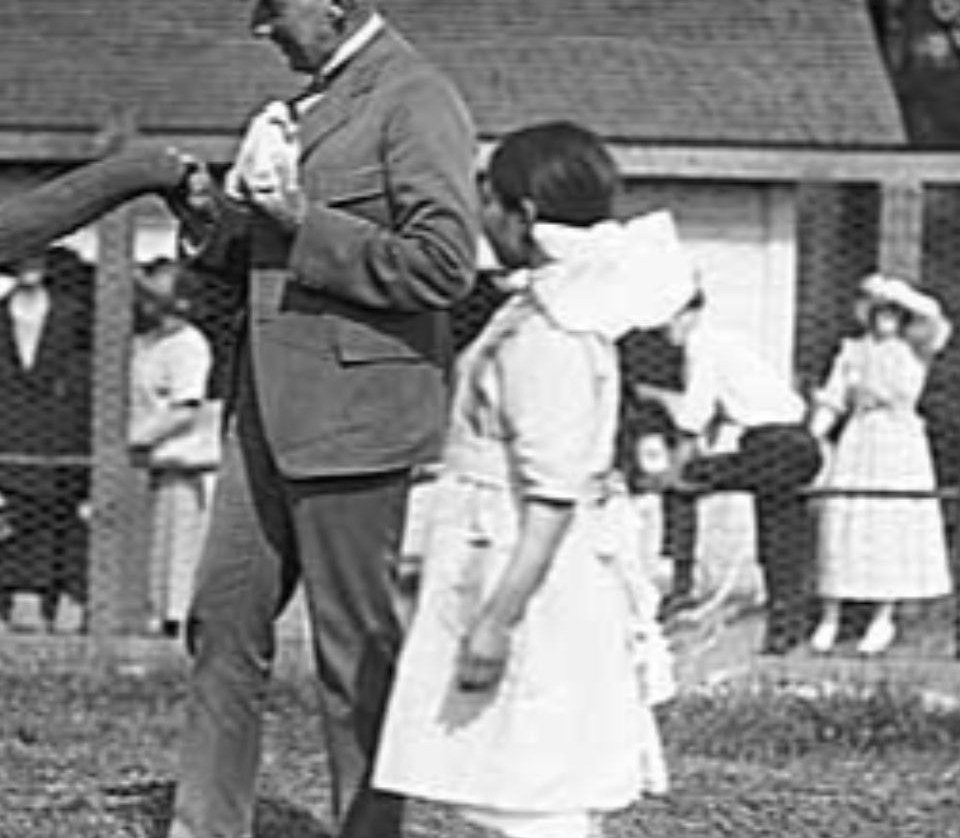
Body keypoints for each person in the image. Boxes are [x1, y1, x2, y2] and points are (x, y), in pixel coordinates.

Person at [164, 0, 481, 838]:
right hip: (261, 411)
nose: (260, 26)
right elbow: (257, 257)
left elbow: (443, 265)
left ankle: (371, 831)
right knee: (221, 627)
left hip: (357, 419)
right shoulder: (299, 109)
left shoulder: (417, 98)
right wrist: (209, 217)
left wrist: (302, 219)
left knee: (356, 652)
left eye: (274, 4)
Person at [374, 121, 682, 838]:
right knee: (500, 779)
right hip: (497, 549)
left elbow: (552, 494)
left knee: (533, 787)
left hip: (532, 575)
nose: (481, 216)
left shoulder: (553, 333)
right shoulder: (538, 306)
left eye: (491, 201)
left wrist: (497, 619)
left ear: (528, 216)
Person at [637, 288, 823, 655]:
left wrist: (677, 468)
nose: (665, 330)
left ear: (690, 313)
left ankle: (680, 583)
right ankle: (786, 631)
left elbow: (695, 415)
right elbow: (723, 410)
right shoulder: (728, 343)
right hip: (790, 443)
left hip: (777, 445)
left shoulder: (703, 345)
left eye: (670, 318)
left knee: (686, 483)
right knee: (780, 536)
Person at [806, 273, 954, 656]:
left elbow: (934, 317)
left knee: (890, 523)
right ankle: (831, 617)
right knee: (847, 520)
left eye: (893, 312)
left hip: (899, 444)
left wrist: (891, 289)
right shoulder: (852, 350)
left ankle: (882, 617)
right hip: (860, 439)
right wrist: (814, 437)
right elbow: (833, 399)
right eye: (879, 311)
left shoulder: (916, 348)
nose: (885, 319)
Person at [0, 250, 94, 634]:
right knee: (4, 520)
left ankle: (47, 611)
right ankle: (1, 609)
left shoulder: (71, 313)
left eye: (37, 262)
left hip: (56, 430)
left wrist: (79, 431)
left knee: (53, 521)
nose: (30, 270)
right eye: (23, 262)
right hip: (5, 426)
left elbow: (82, 374)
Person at [128, 257, 217, 638]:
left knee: (178, 543)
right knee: (147, 546)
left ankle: (176, 617)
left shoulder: (188, 345)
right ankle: (149, 612)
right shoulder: (144, 343)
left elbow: (184, 408)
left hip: (179, 457)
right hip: (144, 460)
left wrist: (135, 437)